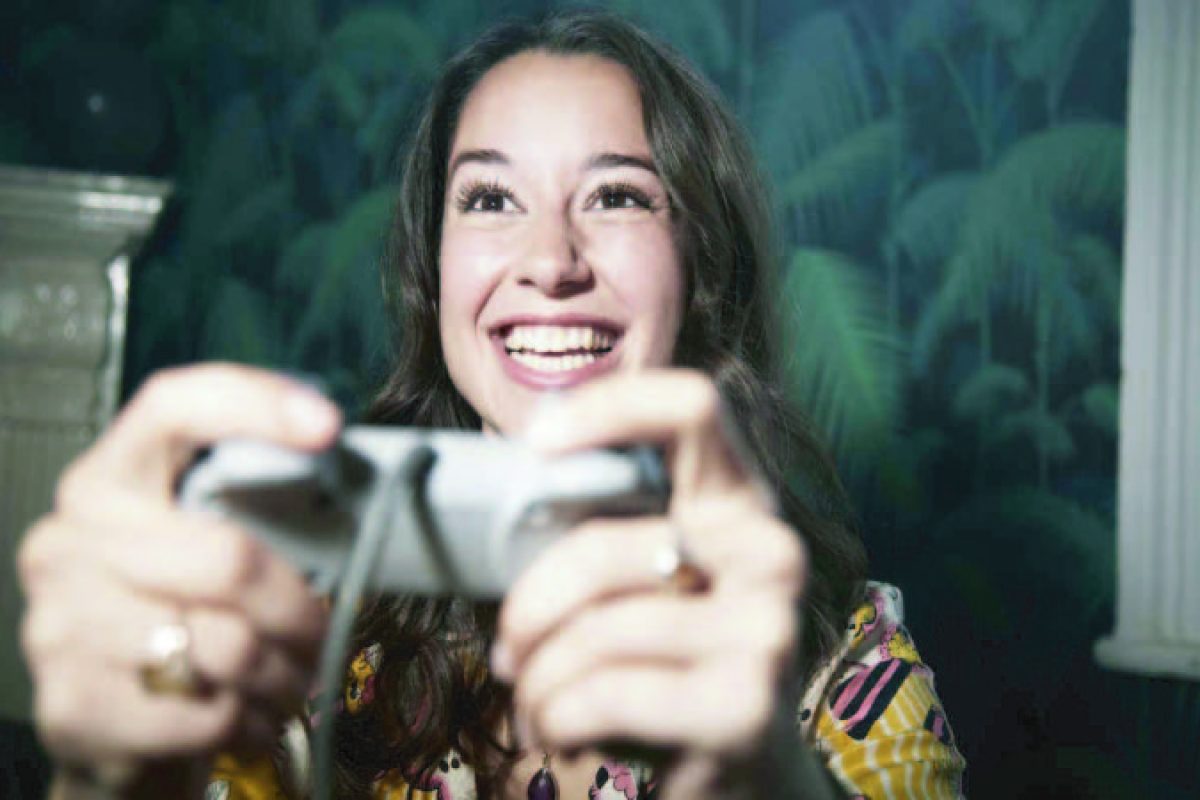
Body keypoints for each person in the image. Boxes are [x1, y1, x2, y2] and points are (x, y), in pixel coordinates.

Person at [17, 11, 966, 800]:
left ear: (700, 266)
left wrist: (764, 781)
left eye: (617, 196)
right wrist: (109, 783)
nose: (550, 262)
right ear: (434, 272)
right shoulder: (293, 618)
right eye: (489, 199)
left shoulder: (848, 667)